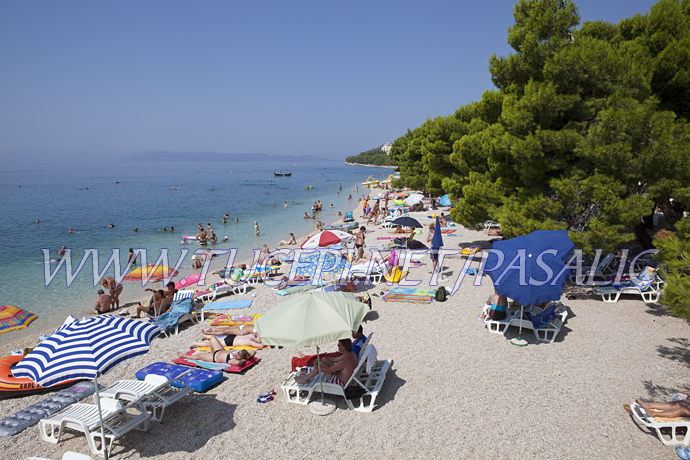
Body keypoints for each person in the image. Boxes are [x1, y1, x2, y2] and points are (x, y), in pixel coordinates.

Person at [180, 336, 256, 366]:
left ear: (239, 357)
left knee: (199, 356)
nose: (237, 352)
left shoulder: (233, 361)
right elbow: (253, 351)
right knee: (212, 338)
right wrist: (248, 356)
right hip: (219, 349)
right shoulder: (238, 354)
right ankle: (204, 339)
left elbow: (238, 363)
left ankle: (184, 356)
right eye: (238, 352)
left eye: (238, 353)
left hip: (214, 357)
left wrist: (244, 360)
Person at [192, 330, 264, 349]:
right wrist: (265, 344)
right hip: (231, 341)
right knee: (211, 344)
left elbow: (257, 332)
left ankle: (206, 336)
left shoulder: (252, 335)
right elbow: (259, 346)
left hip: (233, 336)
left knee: (217, 339)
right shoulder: (250, 341)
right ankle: (196, 343)